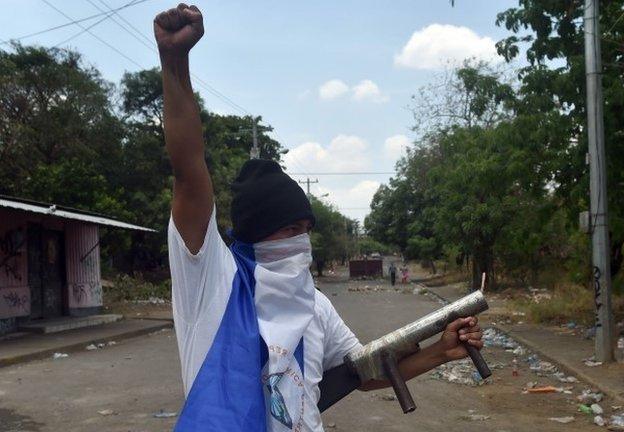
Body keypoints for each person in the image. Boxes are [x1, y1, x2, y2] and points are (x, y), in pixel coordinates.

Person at [155, 4, 484, 431]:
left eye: (306, 231)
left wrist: (441, 350)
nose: (301, 243)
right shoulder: (212, 279)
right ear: (256, 233)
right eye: (290, 230)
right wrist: (175, 63)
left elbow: (361, 373)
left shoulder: (314, 304)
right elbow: (188, 173)